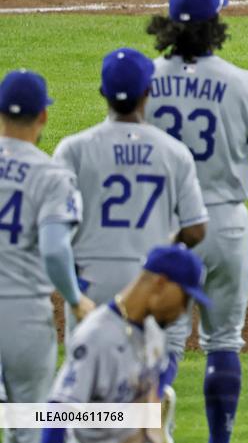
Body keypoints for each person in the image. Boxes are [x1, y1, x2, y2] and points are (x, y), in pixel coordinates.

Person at [144, 0, 248, 443]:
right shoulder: (241, 84)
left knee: (162, 341)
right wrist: (245, 143)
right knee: (224, 341)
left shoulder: (145, 80)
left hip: (163, 228)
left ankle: (151, 428)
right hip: (224, 223)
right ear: (217, 25)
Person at [52, 48, 209, 437]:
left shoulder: (73, 149)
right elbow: (197, 229)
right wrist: (163, 238)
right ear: (148, 92)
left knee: (81, 395)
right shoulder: (173, 152)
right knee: (142, 380)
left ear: (103, 92)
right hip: (151, 283)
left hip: (91, 285)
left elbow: (57, 227)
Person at [0, 70, 95, 443]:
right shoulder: (51, 175)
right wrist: (74, 299)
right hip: (23, 315)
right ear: (43, 116)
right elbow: (56, 250)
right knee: (27, 428)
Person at [42, 244, 212, 443]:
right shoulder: (96, 336)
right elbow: (58, 412)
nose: (184, 311)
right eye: (185, 298)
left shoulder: (154, 333)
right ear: (161, 283)